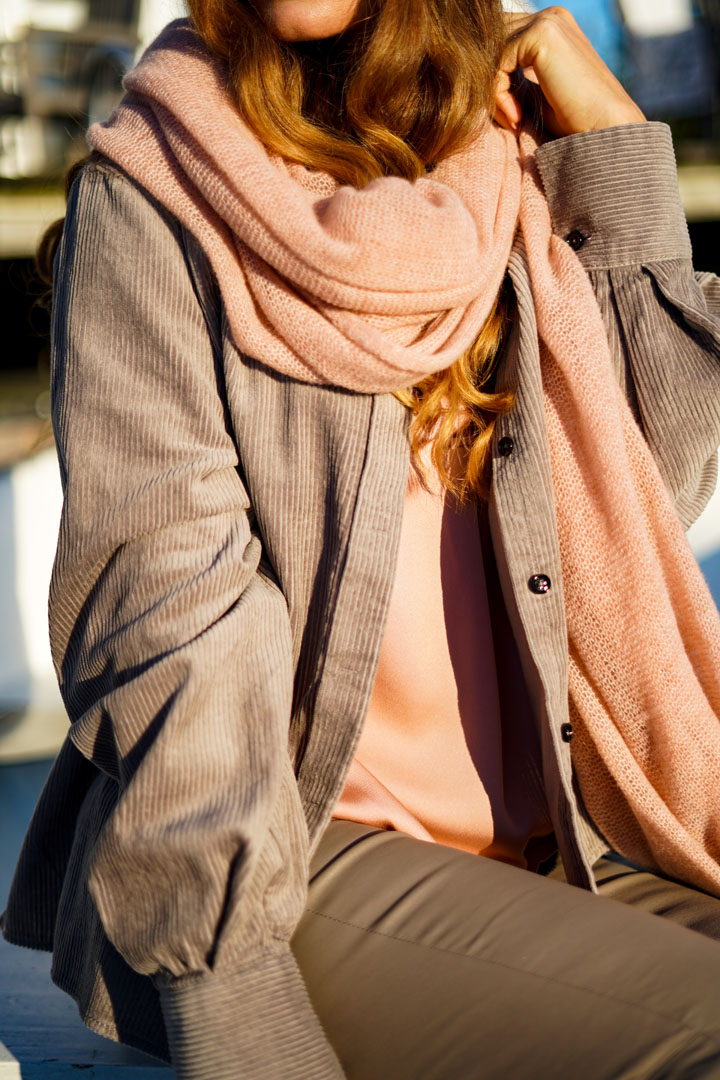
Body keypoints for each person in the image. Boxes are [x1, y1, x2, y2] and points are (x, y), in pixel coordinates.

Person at [3, 2, 720, 1077]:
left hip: (557, 844)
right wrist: (242, 1017)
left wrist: (614, 155)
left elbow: (657, 494)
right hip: (297, 861)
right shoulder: (155, 191)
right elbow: (166, 628)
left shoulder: (502, 160)